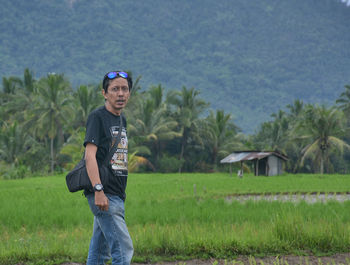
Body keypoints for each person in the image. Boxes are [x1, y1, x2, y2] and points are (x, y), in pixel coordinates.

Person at [83, 71, 134, 265]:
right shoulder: (97, 117)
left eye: (124, 89)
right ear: (104, 93)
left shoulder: (122, 120)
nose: (120, 93)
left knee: (99, 253)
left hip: (116, 194)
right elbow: (90, 156)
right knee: (123, 249)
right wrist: (98, 190)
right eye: (115, 89)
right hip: (104, 194)